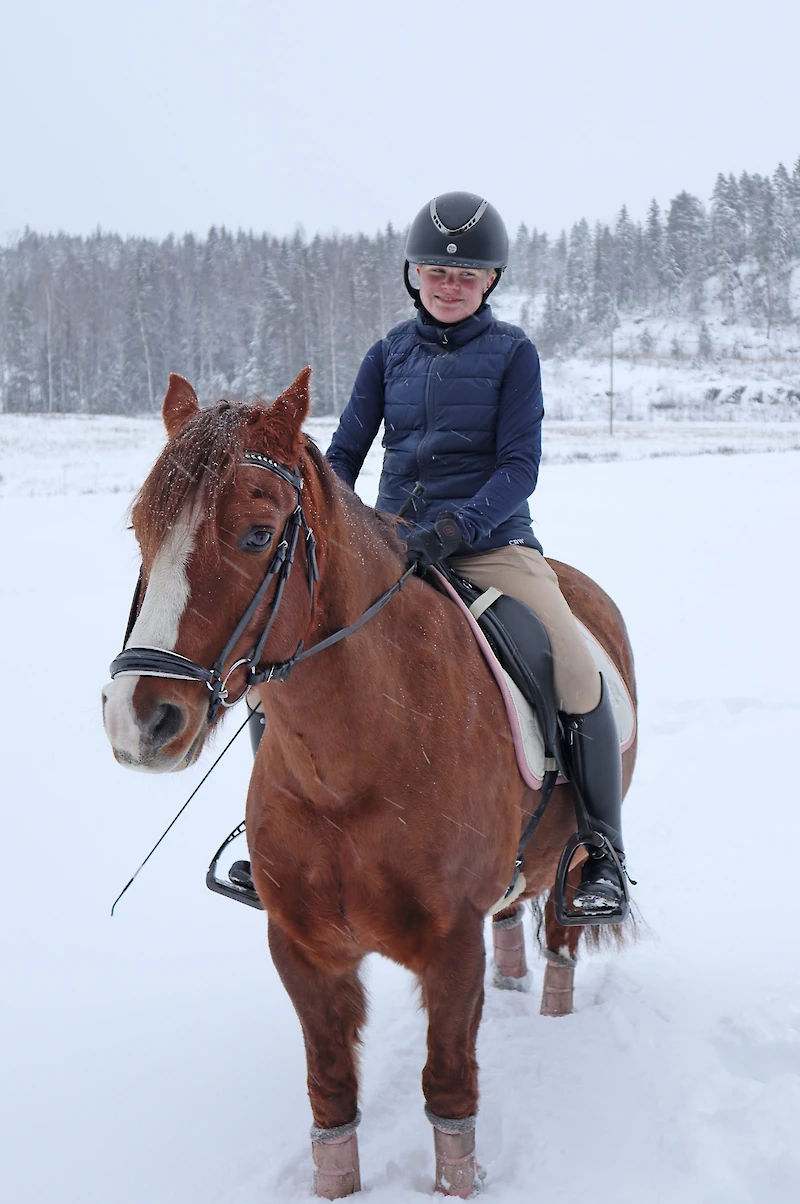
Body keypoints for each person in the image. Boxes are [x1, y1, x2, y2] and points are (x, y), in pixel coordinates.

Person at [325, 192, 629, 915]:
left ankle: (602, 851)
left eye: (465, 275)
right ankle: (277, 829)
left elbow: (519, 465)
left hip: (491, 547)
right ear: (413, 275)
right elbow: (342, 455)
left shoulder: (513, 354)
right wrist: (339, 524)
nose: (449, 285)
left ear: (489, 281)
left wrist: (457, 528)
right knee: (295, 651)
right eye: (435, 271)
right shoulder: (386, 354)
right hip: (393, 547)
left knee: (576, 667)